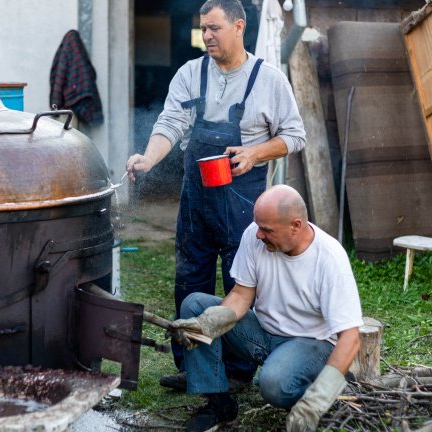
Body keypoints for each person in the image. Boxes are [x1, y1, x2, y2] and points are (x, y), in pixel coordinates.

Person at [125, 0, 306, 390]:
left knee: (242, 281)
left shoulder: (269, 80)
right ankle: (193, 367)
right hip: (197, 201)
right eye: (203, 28)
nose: (206, 35)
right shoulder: (191, 74)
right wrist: (148, 158)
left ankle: (238, 371)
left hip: (244, 202)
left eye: (214, 28)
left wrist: (255, 153)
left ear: (239, 27)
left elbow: (294, 136)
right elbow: (171, 123)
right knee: (190, 279)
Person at [168, 185, 363, 432]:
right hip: (263, 333)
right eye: (258, 226)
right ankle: (219, 405)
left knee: (273, 385)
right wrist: (206, 324)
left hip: (311, 343)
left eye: (267, 230)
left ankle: (323, 394)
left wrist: (318, 399)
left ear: (295, 226)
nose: (259, 234)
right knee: (194, 305)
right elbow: (241, 295)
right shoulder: (254, 234)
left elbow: (351, 337)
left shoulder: (330, 258)